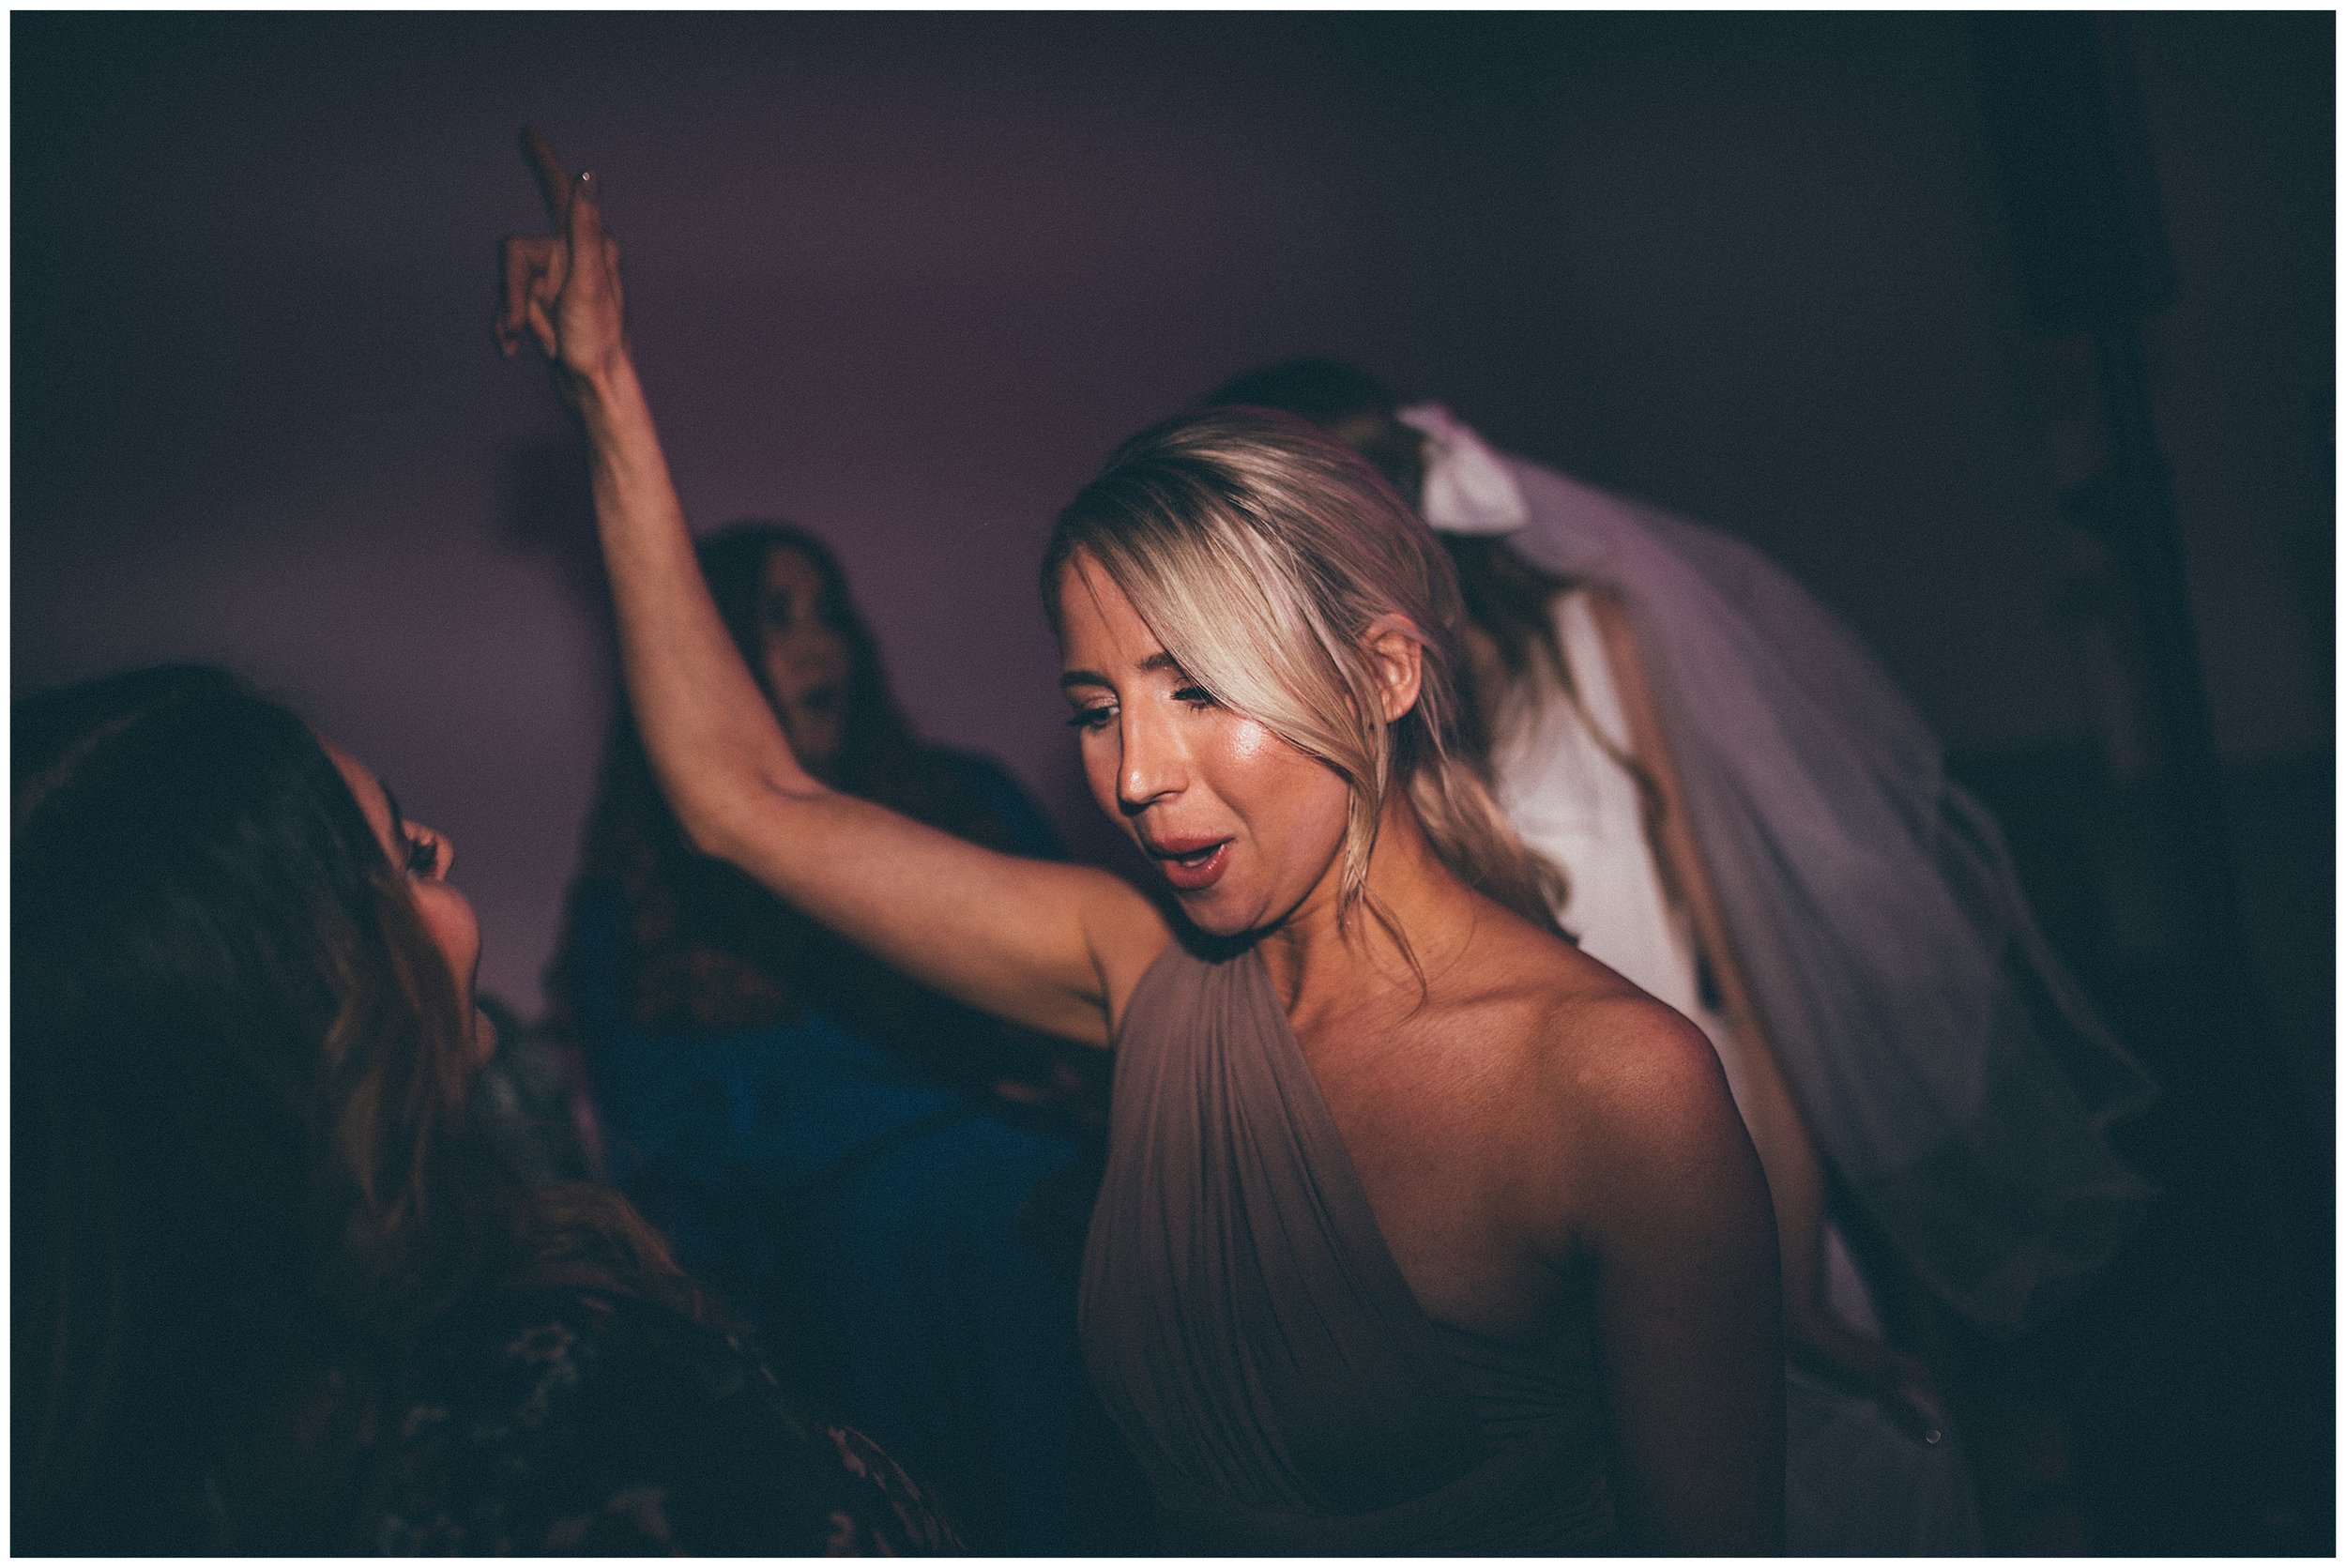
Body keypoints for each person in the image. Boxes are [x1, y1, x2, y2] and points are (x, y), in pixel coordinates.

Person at [497, 134, 1782, 1553]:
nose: (1136, 774)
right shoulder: (1143, 975)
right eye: (1096, 707)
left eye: (1198, 689)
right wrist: (606, 397)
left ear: (1386, 674)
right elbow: (749, 801)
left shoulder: (1618, 1085)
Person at [1205, 358, 2162, 1551]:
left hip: (1717, 1174)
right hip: (1506, 1218)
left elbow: (1736, 996)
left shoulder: (1594, 638)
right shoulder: (1314, 747)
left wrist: (1799, 1287)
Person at [12, 663, 958, 1555]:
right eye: (405, 855)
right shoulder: (564, 1397)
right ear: (310, 984)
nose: (445, 849)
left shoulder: (94, 1431)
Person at [543, 519, 1144, 1553]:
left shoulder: (964, 804)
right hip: (844, 1285)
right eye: (775, 620)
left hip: (1059, 1229)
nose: (820, 643)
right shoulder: (638, 906)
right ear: (705, 659)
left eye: (830, 612)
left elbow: (1119, 1025)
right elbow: (672, 1163)